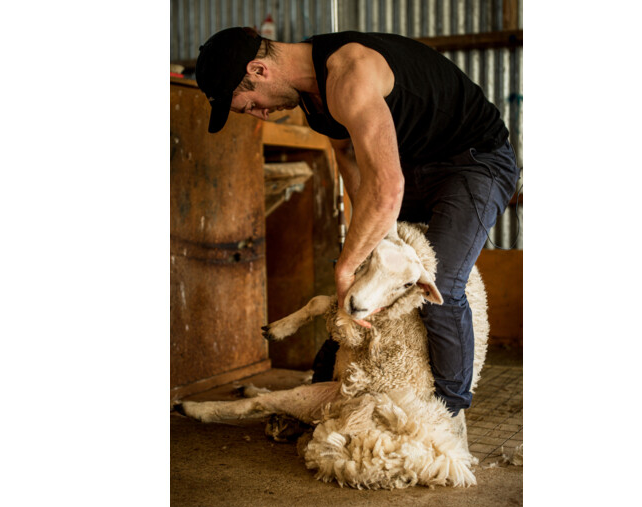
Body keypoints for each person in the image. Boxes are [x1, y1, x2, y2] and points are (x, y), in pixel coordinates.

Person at [195, 26, 519, 418]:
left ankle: (446, 414)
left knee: (442, 285)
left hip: (475, 162)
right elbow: (355, 171)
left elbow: (388, 188)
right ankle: (323, 388)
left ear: (259, 70)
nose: (260, 113)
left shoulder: (350, 74)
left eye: (250, 105)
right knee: (364, 270)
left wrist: (346, 267)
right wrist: (360, 255)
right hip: (414, 165)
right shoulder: (314, 99)